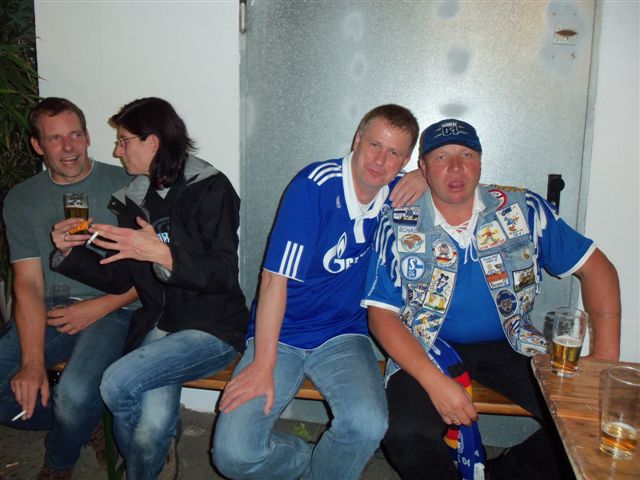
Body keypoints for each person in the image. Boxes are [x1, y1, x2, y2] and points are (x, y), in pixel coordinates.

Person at [363, 118, 621, 480]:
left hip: (512, 343)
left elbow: (598, 270)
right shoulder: (398, 223)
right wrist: (435, 383)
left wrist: (605, 358)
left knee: (587, 420)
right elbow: (381, 316)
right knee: (404, 435)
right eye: (441, 157)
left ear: (481, 162)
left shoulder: (523, 210)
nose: (456, 167)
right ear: (423, 167)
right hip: (426, 345)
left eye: (466, 155)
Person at [213, 104, 426, 480]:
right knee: (233, 455)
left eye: (394, 153)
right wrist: (263, 364)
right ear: (357, 140)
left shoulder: (398, 191)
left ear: (405, 160)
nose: (380, 160)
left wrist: (426, 175)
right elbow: (273, 281)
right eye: (374, 145)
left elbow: (465, 183)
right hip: (281, 335)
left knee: (367, 425)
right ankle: (309, 460)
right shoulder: (314, 186)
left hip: (343, 334)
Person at [51, 97, 249, 480]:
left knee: (116, 383)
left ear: (153, 142)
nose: (117, 151)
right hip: (161, 324)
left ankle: (143, 466)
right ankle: (152, 460)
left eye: (124, 141)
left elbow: (222, 273)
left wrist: (164, 254)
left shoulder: (210, 188)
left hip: (212, 327)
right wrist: (70, 253)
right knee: (151, 426)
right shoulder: (134, 200)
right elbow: (125, 279)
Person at [0, 97, 137, 480]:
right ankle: (88, 420)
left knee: (73, 394)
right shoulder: (23, 199)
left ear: (88, 136)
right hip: (51, 308)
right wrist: (32, 363)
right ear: (37, 145)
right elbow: (28, 284)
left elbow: (156, 275)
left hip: (115, 309)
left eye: (75, 135)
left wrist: (99, 307)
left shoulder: (127, 184)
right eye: (55, 138)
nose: (68, 147)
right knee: (40, 394)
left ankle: (59, 462)